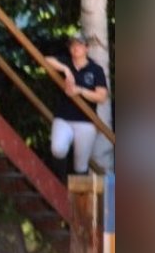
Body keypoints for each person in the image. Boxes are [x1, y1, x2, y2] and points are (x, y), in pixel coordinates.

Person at [44, 31, 109, 175]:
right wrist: (66, 70)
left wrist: (80, 91)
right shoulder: (65, 62)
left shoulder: (95, 69)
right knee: (58, 148)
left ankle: (78, 194)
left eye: (79, 44)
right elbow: (46, 60)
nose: (75, 48)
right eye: (73, 44)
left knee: (80, 165)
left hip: (86, 121)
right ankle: (59, 183)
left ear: (86, 48)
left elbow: (102, 96)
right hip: (63, 117)